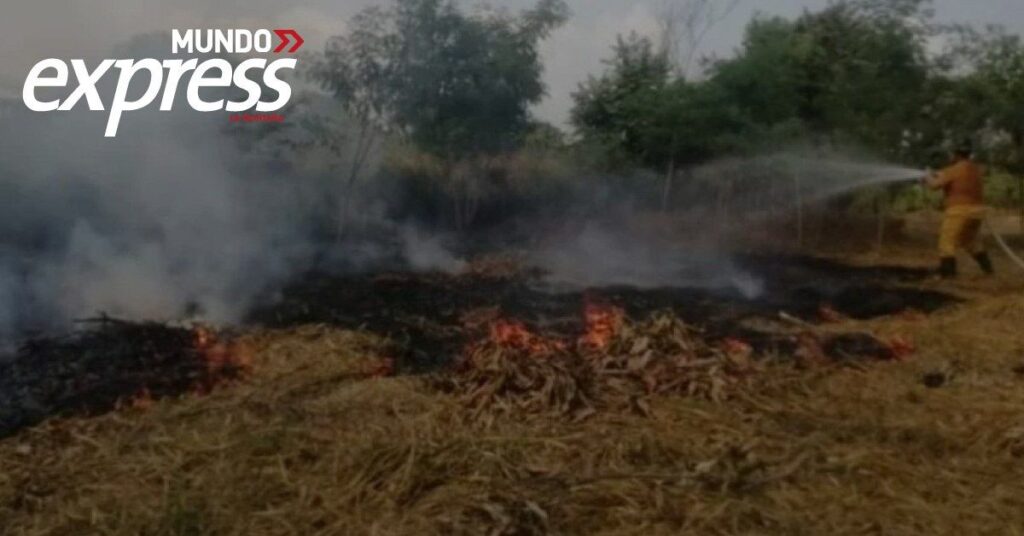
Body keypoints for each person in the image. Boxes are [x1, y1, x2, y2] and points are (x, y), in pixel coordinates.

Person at [924, 141, 994, 278]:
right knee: (969, 241)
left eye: (952, 155)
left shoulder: (955, 169)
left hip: (959, 210)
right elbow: (949, 177)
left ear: (956, 155)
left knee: (946, 241)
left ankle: (948, 273)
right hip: (977, 211)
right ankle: (988, 270)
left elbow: (934, 186)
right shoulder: (975, 169)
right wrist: (937, 173)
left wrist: (927, 176)